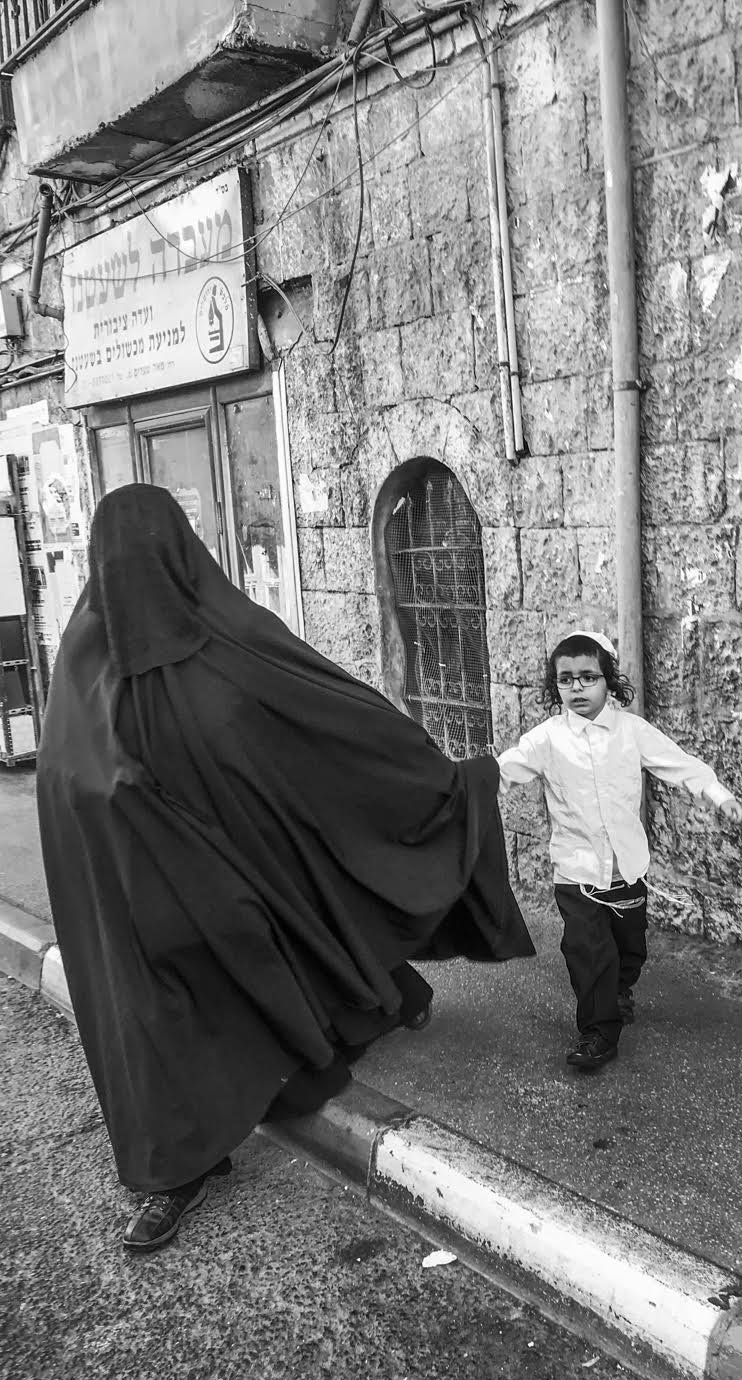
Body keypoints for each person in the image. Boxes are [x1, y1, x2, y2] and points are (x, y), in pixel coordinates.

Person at [37, 485, 534, 1253]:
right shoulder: (83, 661)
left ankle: (383, 998)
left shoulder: (229, 636)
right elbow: (65, 775)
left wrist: (440, 780)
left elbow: (323, 715)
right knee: (159, 1015)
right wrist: (120, 793)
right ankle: (177, 1169)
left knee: (278, 932)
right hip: (136, 886)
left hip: (241, 864)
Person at [496, 630, 742, 1071]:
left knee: (630, 949)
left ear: (608, 680)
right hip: (576, 875)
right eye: (566, 679)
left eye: (588, 677)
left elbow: (678, 763)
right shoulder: (546, 739)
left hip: (626, 870)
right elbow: (504, 770)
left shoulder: (632, 731)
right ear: (556, 686)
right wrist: (462, 786)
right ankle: (598, 1032)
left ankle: (620, 989)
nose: (577, 687)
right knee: (588, 953)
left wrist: (717, 794)